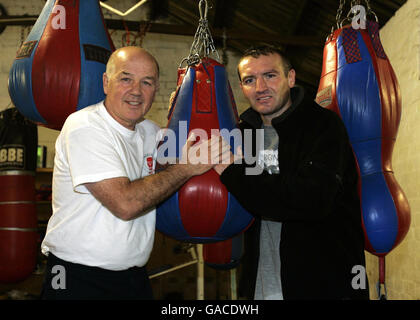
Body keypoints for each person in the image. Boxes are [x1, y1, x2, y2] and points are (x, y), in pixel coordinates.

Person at [40, 46, 229, 300]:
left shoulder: (150, 132)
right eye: (126, 79)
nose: (136, 91)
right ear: (106, 82)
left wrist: (185, 108)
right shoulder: (84, 127)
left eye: (147, 82)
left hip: (133, 277)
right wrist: (187, 167)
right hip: (76, 276)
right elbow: (125, 204)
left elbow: (186, 153)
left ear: (155, 90)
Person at [214, 45, 369, 300]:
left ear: (291, 77)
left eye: (270, 75)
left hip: (323, 284)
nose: (260, 87)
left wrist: (234, 172)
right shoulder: (241, 136)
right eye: (250, 80)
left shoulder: (323, 126)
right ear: (242, 87)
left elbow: (310, 200)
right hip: (262, 284)